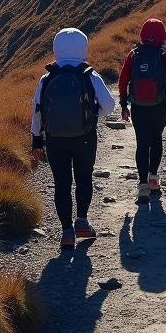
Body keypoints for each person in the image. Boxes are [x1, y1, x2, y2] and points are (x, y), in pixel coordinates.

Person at [31, 28, 116, 249]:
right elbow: (109, 106)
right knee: (83, 178)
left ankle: (66, 231)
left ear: (56, 48)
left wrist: (36, 141)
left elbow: (37, 110)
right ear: (83, 47)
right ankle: (82, 222)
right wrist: (91, 114)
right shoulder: (89, 75)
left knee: (61, 184)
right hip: (84, 137)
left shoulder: (47, 77)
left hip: (55, 138)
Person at [118, 18, 166, 203]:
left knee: (142, 143)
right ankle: (153, 179)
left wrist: (124, 104)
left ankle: (142, 186)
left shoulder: (133, 55)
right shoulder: (165, 57)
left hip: (138, 106)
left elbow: (123, 80)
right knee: (156, 139)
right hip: (159, 105)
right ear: (162, 35)